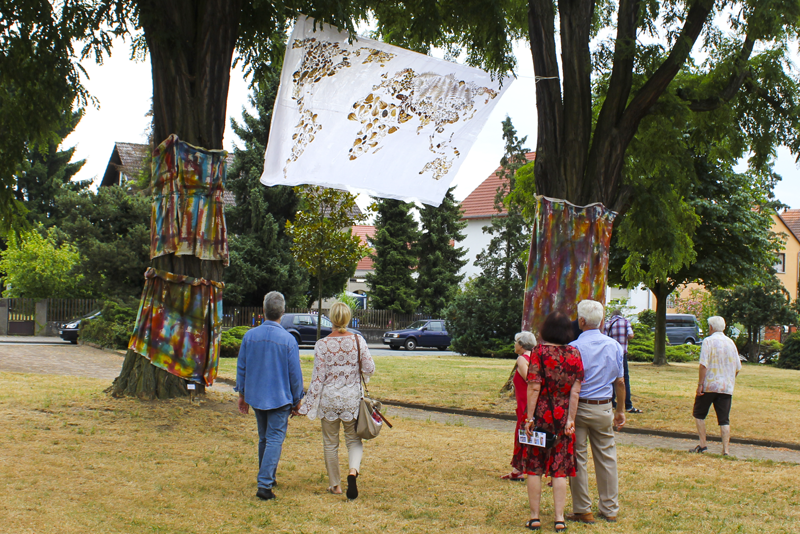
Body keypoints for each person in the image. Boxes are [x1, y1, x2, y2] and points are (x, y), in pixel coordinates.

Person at [513, 312, 584, 533]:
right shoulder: (574, 353)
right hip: (563, 418)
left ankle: (534, 518)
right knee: (559, 468)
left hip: (541, 414)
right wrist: (571, 418)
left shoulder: (538, 353)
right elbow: (576, 390)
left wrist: (529, 417)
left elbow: (533, 386)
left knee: (534, 467)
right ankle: (559, 518)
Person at [300, 302, 375, 500]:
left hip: (329, 400)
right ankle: (353, 471)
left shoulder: (322, 345)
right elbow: (370, 368)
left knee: (330, 443)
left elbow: (318, 378)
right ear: (348, 318)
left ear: (331, 318)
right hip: (351, 400)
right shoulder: (358, 341)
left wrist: (306, 405)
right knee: (353, 440)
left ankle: (335, 485)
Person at [235, 291, 304, 501]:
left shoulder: (250, 336)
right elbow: (295, 374)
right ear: (282, 312)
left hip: (257, 395)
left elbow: (242, 367)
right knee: (274, 438)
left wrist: (242, 394)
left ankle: (268, 476)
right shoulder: (288, 340)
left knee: (264, 437)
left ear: (264, 310)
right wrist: (297, 399)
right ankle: (264, 484)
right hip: (280, 397)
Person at [567, 299, 626, 524]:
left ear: (581, 321)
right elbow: (620, 381)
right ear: (601, 320)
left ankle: (582, 508)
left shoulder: (574, 347)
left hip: (579, 407)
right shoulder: (614, 346)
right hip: (603, 406)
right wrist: (620, 410)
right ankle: (610, 508)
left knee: (578, 458)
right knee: (607, 457)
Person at [690, 316, 741, 455]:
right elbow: (738, 367)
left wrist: (700, 384)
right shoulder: (731, 343)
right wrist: (729, 379)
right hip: (726, 387)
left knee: (699, 414)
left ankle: (703, 445)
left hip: (709, 385)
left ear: (711, 327)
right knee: (724, 419)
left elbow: (703, 365)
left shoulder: (708, 341)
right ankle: (726, 450)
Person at [502, 331, 538, 481]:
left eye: (516, 342)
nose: (514, 345)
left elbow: (529, 378)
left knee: (522, 434)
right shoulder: (535, 357)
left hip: (525, 403)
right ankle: (524, 467)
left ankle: (520, 469)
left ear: (522, 345)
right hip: (529, 402)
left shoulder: (522, 359)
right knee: (529, 435)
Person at [604, 308, 641, 413]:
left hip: (611, 354)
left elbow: (604, 338)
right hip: (622, 353)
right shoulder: (626, 322)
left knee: (610, 378)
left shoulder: (608, 324)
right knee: (624, 379)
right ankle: (628, 404)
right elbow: (630, 335)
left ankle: (611, 402)